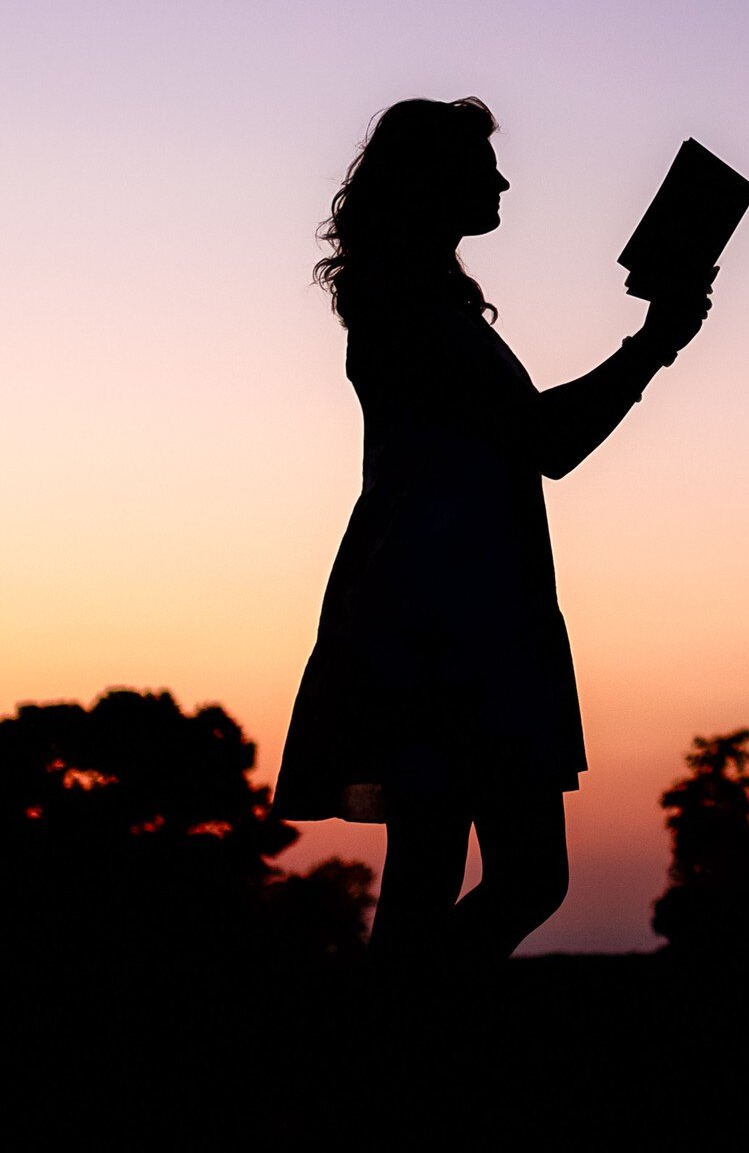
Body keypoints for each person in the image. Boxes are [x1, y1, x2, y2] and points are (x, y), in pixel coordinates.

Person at [272, 97, 710, 983]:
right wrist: (653, 344)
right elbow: (547, 444)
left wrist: (653, 344)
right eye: (482, 167)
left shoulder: (420, 306)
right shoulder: (413, 313)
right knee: (513, 876)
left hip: (448, 609)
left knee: (452, 878)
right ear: (434, 182)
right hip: (448, 620)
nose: (503, 180)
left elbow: (531, 442)